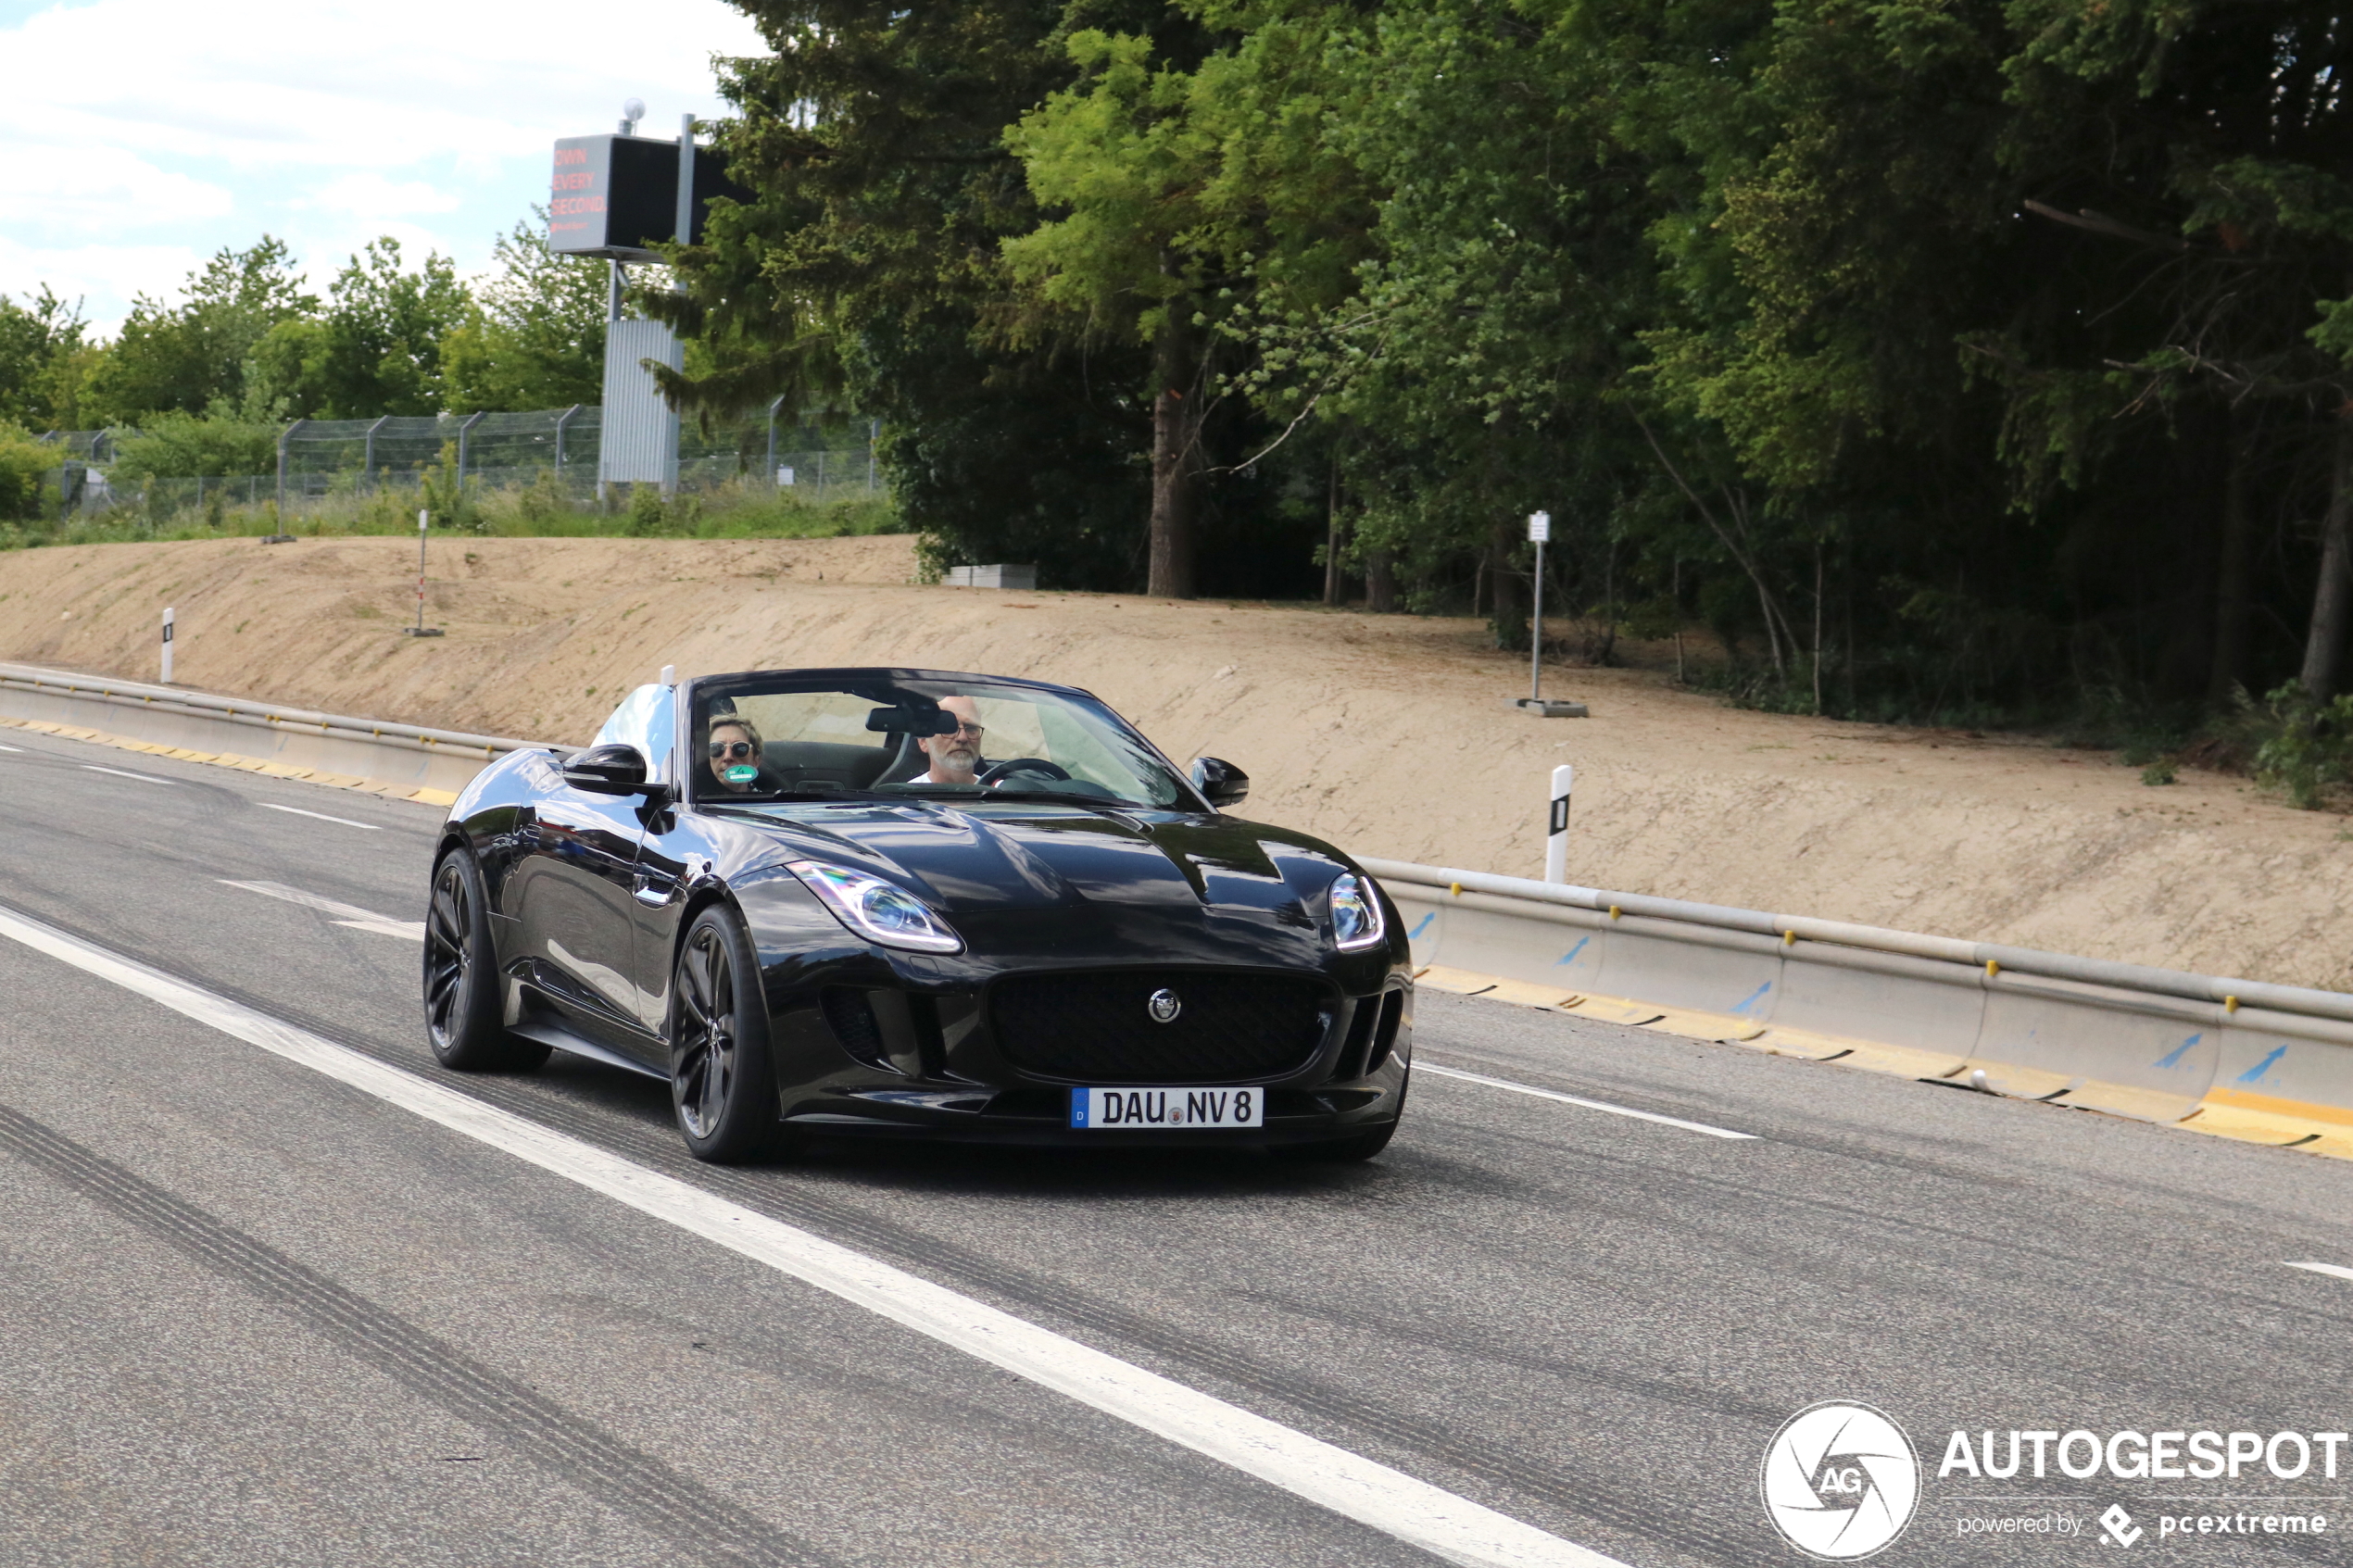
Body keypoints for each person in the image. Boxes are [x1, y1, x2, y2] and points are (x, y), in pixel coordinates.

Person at [912, 695, 987, 785]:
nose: (962, 737)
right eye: (950, 728)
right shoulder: (905, 796)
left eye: (971, 728)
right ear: (923, 741)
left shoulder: (1003, 793)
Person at [707, 717, 763, 793]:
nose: (728, 756)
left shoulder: (769, 804)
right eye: (716, 748)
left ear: (756, 761)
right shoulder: (687, 802)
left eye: (739, 748)